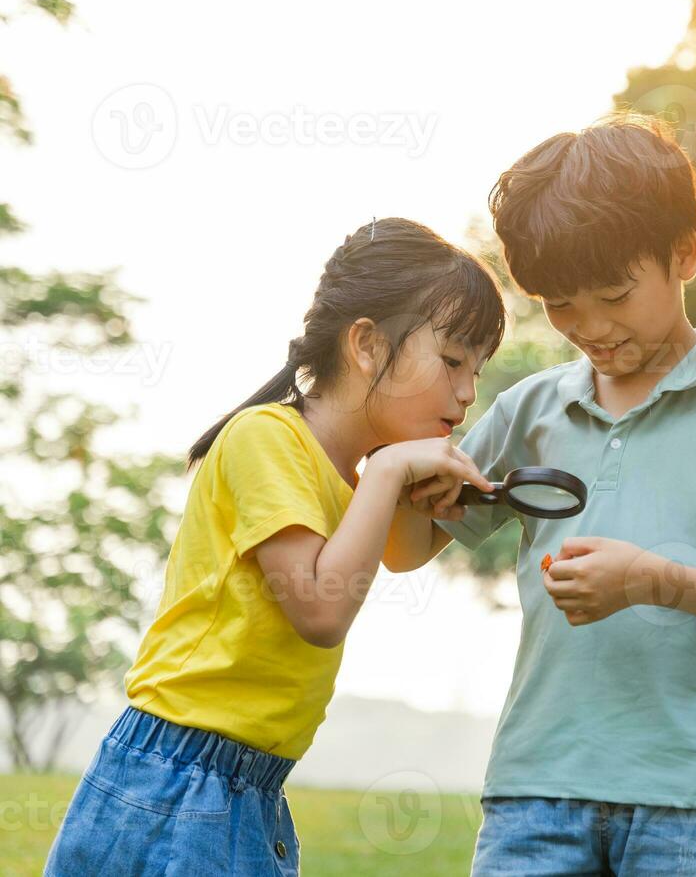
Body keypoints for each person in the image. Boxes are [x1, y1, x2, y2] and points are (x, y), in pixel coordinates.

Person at [413, 114, 696, 876]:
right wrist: (411, 476)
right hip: (534, 789)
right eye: (561, 305)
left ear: (684, 254)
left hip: (694, 802)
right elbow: (409, 549)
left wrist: (648, 580)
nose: (590, 327)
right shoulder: (529, 410)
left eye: (613, 293)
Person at [45, 217, 505, 876]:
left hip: (248, 788)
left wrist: (407, 482)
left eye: (477, 371)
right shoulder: (266, 437)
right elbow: (320, 610)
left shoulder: (354, 480)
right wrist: (386, 474)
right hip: (174, 780)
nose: (467, 393)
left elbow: (403, 552)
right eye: (453, 361)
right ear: (368, 345)